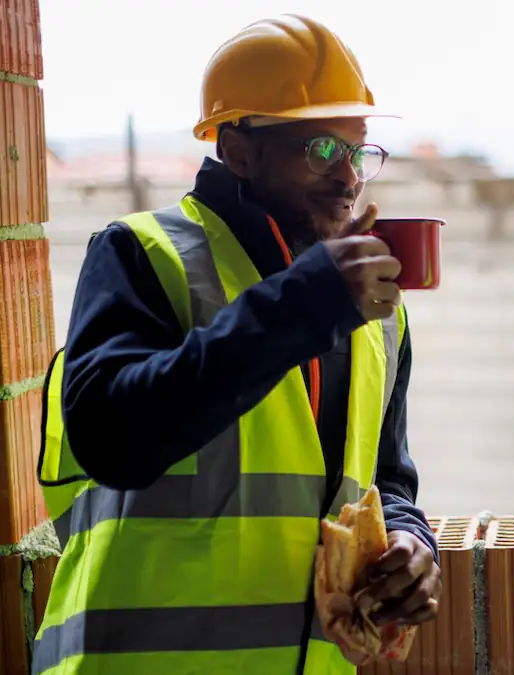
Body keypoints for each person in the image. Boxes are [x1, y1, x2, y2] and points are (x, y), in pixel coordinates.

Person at [33, 14, 441, 674]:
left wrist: (410, 540)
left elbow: (383, 478)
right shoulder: (143, 254)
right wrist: (302, 305)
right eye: (321, 149)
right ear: (239, 149)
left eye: (359, 152)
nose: (349, 178)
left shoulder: (373, 312)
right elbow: (111, 437)